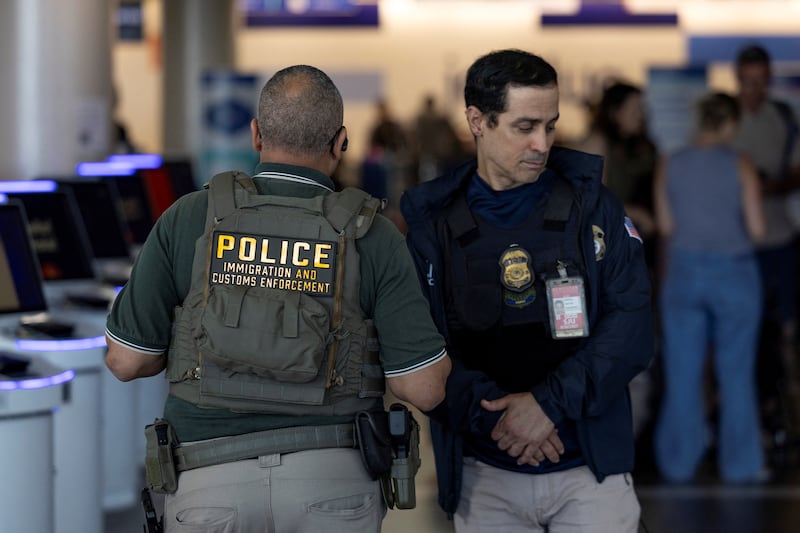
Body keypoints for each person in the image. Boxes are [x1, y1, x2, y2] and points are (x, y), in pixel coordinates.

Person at [104, 64, 451, 533]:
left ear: (256, 134)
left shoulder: (190, 218)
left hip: (207, 480)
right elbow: (424, 389)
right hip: (334, 486)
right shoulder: (374, 234)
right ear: (341, 142)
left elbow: (127, 361)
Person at [400, 49, 653, 532]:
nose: (542, 143)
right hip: (484, 475)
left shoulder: (592, 209)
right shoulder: (434, 228)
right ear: (477, 120)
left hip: (590, 472)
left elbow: (632, 327)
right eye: (525, 127)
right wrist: (503, 420)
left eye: (551, 126)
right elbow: (418, 351)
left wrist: (547, 407)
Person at [653, 92, 767, 483]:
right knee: (735, 372)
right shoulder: (741, 164)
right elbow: (757, 229)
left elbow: (666, 227)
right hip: (734, 271)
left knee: (682, 371)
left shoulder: (670, 163)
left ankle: (678, 463)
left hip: (683, 271)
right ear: (731, 124)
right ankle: (740, 465)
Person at [732, 44, 800, 398]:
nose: (754, 90)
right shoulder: (726, 118)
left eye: (760, 81)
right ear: (737, 78)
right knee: (742, 333)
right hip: (736, 245)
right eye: (747, 81)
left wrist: (768, 186)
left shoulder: (783, 117)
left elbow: (796, 173)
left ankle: (788, 409)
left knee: (787, 330)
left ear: (769, 79)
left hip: (779, 237)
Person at [573, 81, 659, 269]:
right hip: (598, 241)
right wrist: (636, 213)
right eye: (635, 109)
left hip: (618, 237)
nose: (641, 116)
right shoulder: (597, 142)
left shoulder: (631, 146)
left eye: (642, 109)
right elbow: (590, 199)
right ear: (614, 112)